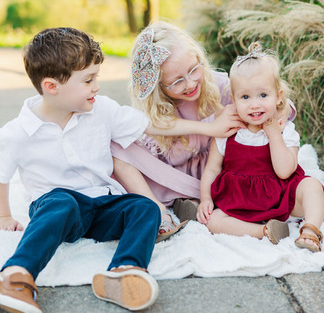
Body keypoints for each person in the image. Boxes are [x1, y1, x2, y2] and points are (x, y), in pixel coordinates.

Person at [0, 27, 237, 313]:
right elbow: (2, 174)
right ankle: (16, 276)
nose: (96, 86)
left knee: (144, 207)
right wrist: (4, 215)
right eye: (88, 80)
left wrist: (208, 128)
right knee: (61, 202)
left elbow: (153, 125)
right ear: (52, 87)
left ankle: (125, 270)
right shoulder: (17, 132)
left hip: (103, 203)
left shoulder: (102, 109)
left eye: (95, 78)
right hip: (57, 208)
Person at [111, 22, 294, 235]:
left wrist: (272, 112)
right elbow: (146, 127)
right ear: (158, 86)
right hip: (172, 176)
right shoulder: (156, 109)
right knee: (117, 147)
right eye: (176, 81)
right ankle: (158, 209)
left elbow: (276, 102)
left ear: (199, 58)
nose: (189, 84)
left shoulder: (216, 84)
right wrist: (210, 127)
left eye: (193, 70)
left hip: (215, 174)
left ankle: (196, 201)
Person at [197, 43, 324, 253]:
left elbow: (285, 170)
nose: (255, 104)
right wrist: (205, 200)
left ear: (279, 96)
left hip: (282, 196)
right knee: (213, 221)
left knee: (312, 186)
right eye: (245, 97)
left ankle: (310, 230)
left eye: (263, 95)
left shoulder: (285, 130)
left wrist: (273, 133)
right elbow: (212, 169)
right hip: (241, 200)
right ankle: (265, 231)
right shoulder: (229, 131)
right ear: (233, 100)